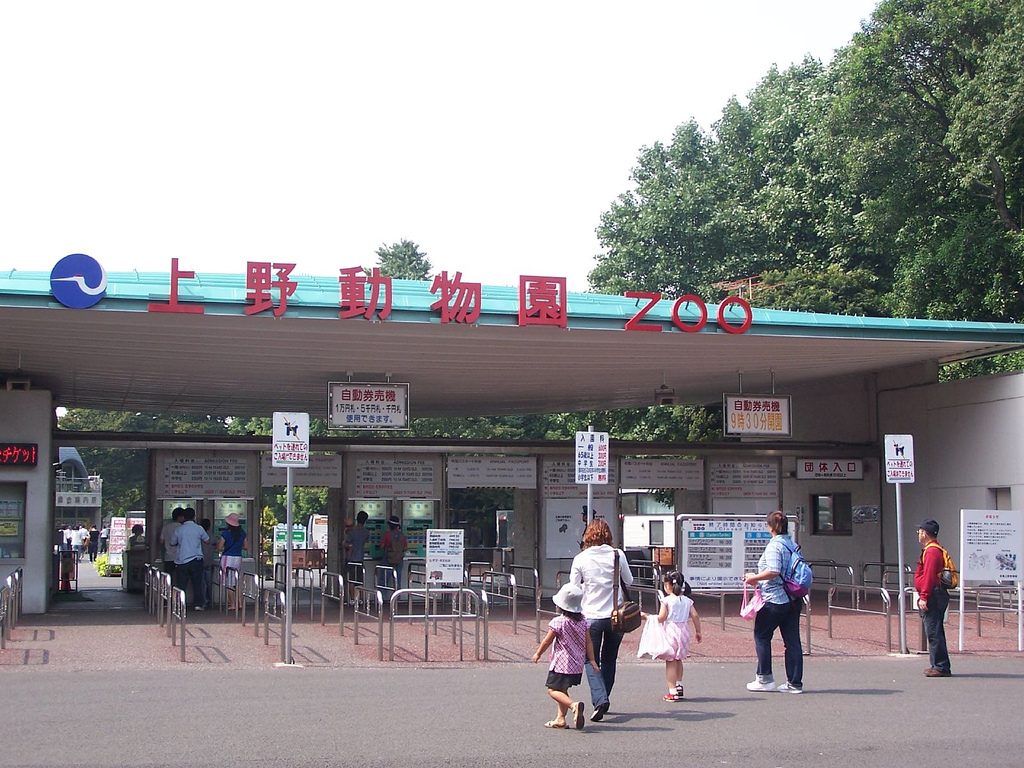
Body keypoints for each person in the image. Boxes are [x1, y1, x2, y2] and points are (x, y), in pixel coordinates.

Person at [569, 518, 633, 721]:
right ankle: (603, 698)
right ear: (608, 535)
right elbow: (629, 581)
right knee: (609, 659)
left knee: (590, 659)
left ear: (588, 535)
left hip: (591, 617)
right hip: (616, 616)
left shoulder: (581, 558)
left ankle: (600, 699)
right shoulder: (617, 554)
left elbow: (574, 587)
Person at [743, 510, 804, 693]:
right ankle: (794, 683)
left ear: (770, 527)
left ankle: (765, 678)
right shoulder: (792, 544)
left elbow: (773, 571)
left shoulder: (774, 546)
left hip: (774, 599)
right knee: (792, 641)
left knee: (761, 636)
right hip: (793, 598)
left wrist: (754, 578)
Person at [531, 583, 598, 730]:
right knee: (562, 689)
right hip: (577, 664)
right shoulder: (583, 622)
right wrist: (592, 660)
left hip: (561, 663)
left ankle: (573, 705)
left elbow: (547, 640)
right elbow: (588, 642)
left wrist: (538, 653)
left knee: (552, 689)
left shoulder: (559, 622)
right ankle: (560, 719)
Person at [641, 570, 702, 701]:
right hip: (684, 631)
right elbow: (695, 616)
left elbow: (661, 618)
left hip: (671, 631)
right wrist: (698, 631)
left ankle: (672, 691)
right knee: (679, 659)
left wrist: (647, 617)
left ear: (668, 585)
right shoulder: (687, 600)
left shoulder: (666, 601)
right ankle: (679, 685)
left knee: (670, 662)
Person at [915, 518, 952, 677]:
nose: (918, 534)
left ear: (925, 533)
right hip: (936, 593)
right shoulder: (934, 549)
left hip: (933, 595)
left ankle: (940, 666)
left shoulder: (931, 551)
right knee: (935, 630)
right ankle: (937, 664)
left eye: (920, 531)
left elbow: (929, 575)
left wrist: (924, 596)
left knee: (933, 630)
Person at [170, 507, 209, 611]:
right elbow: (207, 540)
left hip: (182, 560)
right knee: (197, 583)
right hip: (196, 559)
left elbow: (172, 542)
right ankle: (198, 605)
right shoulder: (199, 528)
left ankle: (180, 604)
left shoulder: (179, 529)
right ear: (194, 516)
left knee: (181, 583)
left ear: (183, 517)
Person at [217, 512, 247, 609]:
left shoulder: (225, 533)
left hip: (227, 558)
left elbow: (220, 547)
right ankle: (241, 603)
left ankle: (233, 604)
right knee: (236, 581)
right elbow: (246, 547)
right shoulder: (242, 534)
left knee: (228, 582)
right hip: (238, 557)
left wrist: (216, 548)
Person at [344, 510, 370, 605]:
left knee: (351, 580)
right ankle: (361, 599)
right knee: (360, 580)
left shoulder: (352, 532)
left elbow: (346, 544)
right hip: (360, 558)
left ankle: (352, 599)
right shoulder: (366, 532)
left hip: (351, 559)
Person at [379, 515, 407, 590]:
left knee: (384, 581)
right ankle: (397, 598)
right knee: (398, 579)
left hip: (388, 559)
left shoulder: (387, 534)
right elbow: (405, 547)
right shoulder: (402, 535)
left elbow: (381, 546)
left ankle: (383, 598)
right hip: (399, 560)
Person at [160, 507, 185, 577]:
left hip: (168, 557)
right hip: (180, 558)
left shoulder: (165, 527)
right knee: (180, 579)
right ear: (180, 517)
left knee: (168, 578)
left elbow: (161, 541)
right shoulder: (183, 528)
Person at [199, 519, 217, 610]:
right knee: (209, 582)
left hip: (201, 561)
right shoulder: (212, 537)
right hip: (210, 561)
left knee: (202, 583)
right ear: (209, 526)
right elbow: (216, 547)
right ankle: (210, 600)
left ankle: (203, 601)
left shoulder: (198, 536)